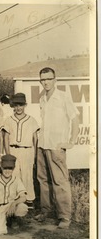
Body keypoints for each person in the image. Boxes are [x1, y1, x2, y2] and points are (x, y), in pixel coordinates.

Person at [35, 67, 80, 229]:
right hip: (42, 145)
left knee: (60, 181)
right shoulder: (42, 98)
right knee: (43, 179)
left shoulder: (63, 97)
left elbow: (75, 120)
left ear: (55, 79)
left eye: (48, 79)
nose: (46, 82)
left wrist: (71, 141)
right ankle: (46, 211)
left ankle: (64, 217)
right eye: (43, 79)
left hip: (56, 146)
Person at [3, 93, 39, 209]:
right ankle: (14, 197)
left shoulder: (31, 120)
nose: (19, 108)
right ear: (13, 106)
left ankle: (29, 199)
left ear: (25, 105)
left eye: (21, 105)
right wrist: (8, 153)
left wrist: (36, 155)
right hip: (13, 149)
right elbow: (6, 137)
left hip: (27, 149)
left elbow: (35, 138)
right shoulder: (9, 120)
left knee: (27, 174)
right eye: (16, 105)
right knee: (14, 174)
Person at [0, 154, 28, 236]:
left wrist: (14, 203)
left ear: (13, 168)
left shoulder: (16, 179)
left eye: (10, 168)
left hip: (10, 206)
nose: (7, 171)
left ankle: (13, 219)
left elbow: (23, 197)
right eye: (5, 168)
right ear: (1, 167)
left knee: (22, 207)